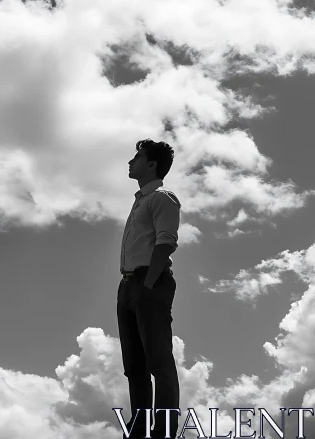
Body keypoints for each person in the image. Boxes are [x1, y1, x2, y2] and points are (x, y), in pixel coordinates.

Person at [117, 139, 181, 439]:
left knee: (158, 361)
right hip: (129, 284)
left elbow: (166, 241)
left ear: (152, 164)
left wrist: (149, 281)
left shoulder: (162, 197)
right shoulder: (140, 199)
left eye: (138, 157)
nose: (131, 161)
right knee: (134, 365)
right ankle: (140, 428)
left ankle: (164, 429)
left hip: (148, 282)